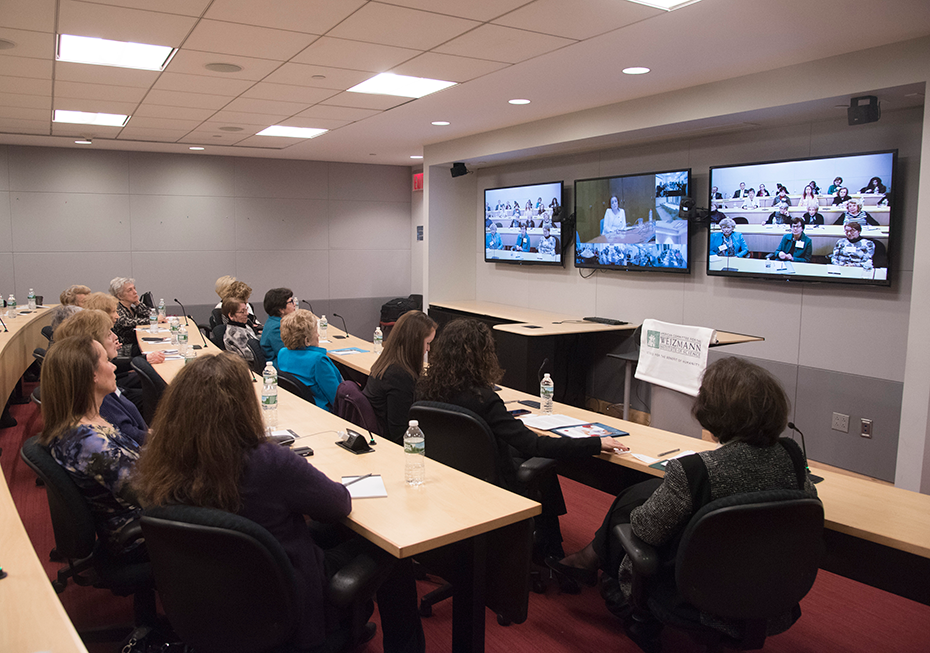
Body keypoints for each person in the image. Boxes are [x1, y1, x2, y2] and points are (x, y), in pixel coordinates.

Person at [133, 353, 425, 653]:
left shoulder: (161, 459)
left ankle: (353, 624)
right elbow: (339, 505)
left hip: (208, 600)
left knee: (327, 531)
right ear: (243, 406)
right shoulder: (268, 462)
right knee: (393, 551)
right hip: (286, 601)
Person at [546, 357, 818, 638]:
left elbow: (645, 530)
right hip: (772, 597)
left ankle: (602, 576)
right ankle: (586, 561)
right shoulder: (792, 458)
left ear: (712, 412)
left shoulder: (695, 471)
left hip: (696, 597)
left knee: (629, 512)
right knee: (638, 495)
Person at [416, 319, 626, 558]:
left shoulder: (426, 388)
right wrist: (596, 444)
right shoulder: (484, 399)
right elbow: (534, 444)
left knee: (526, 455)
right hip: (490, 481)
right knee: (541, 464)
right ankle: (550, 548)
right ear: (482, 356)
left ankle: (548, 543)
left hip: (449, 475)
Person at [40, 335, 144, 559]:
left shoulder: (89, 422)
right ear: (92, 376)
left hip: (148, 516)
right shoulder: (88, 443)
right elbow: (150, 495)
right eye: (107, 361)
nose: (114, 366)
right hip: (144, 535)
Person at [53, 310, 148, 444]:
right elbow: (130, 435)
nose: (115, 337)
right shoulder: (98, 395)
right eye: (109, 334)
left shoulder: (95, 391)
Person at [363, 311, 436, 443]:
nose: (428, 349)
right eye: (427, 343)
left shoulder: (386, 364)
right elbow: (399, 432)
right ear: (415, 343)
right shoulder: (399, 376)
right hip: (391, 443)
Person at [278, 310, 343, 411]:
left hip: (297, 409)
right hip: (323, 412)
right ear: (306, 340)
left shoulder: (282, 353)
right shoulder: (318, 361)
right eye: (316, 332)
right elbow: (337, 399)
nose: (318, 335)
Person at [109, 277, 165, 357]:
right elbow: (126, 322)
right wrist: (154, 320)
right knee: (154, 347)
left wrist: (138, 303)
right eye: (130, 290)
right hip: (124, 348)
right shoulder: (117, 308)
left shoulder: (132, 308)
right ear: (120, 295)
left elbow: (150, 314)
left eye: (134, 289)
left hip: (136, 343)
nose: (135, 292)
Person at [260, 287, 295, 365]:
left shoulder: (274, 321)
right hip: (280, 366)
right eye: (291, 302)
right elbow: (286, 354)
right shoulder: (276, 328)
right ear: (281, 309)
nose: (294, 304)